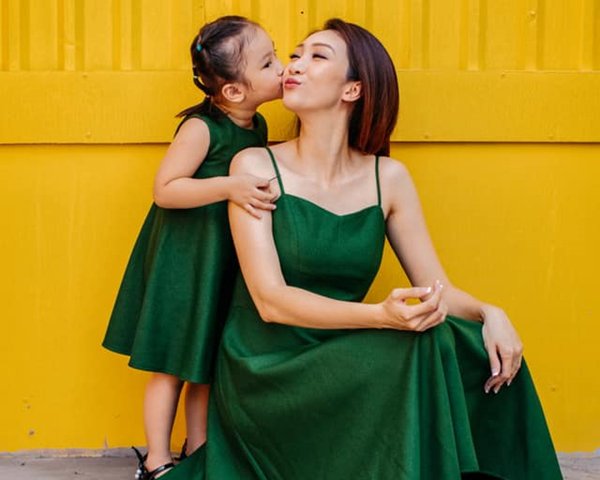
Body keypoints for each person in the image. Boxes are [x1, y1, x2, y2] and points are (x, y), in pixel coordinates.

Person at [162, 18, 562, 479]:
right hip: (266, 366)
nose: (295, 65)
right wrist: (380, 316)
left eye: (317, 56)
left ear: (352, 89)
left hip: (342, 350)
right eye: (295, 55)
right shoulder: (253, 165)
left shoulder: (388, 178)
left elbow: (436, 288)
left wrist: (491, 313)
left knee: (473, 344)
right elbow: (270, 302)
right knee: (420, 346)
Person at [102, 15, 282, 480]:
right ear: (234, 91)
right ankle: (156, 461)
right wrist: (229, 186)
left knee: (205, 360)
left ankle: (199, 450)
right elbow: (166, 189)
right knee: (170, 365)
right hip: (183, 262)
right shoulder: (202, 128)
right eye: (268, 63)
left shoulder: (257, 124)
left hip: (219, 260)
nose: (282, 67)